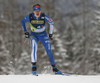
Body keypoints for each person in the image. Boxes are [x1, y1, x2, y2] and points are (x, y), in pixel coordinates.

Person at [21, 4, 62, 75]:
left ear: (40, 11)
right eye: (35, 10)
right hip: (34, 35)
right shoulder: (30, 16)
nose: (37, 12)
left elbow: (51, 22)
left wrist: (50, 34)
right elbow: (22, 21)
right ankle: (34, 68)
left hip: (43, 35)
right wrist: (25, 32)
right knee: (34, 48)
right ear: (33, 11)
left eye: (38, 10)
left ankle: (54, 68)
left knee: (48, 50)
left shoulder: (43, 16)